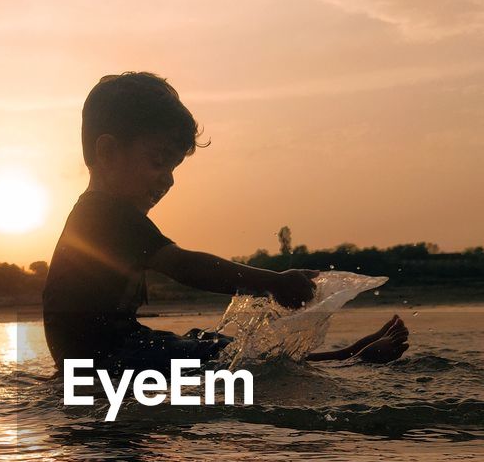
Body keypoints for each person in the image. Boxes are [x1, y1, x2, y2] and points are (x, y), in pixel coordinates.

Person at [42, 72, 409, 370]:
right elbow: (186, 265)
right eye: (158, 161)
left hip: (113, 355)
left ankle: (341, 358)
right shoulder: (106, 215)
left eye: (173, 167)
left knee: (218, 350)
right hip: (107, 363)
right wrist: (273, 282)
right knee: (228, 362)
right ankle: (348, 361)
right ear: (107, 152)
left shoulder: (101, 215)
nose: (168, 179)